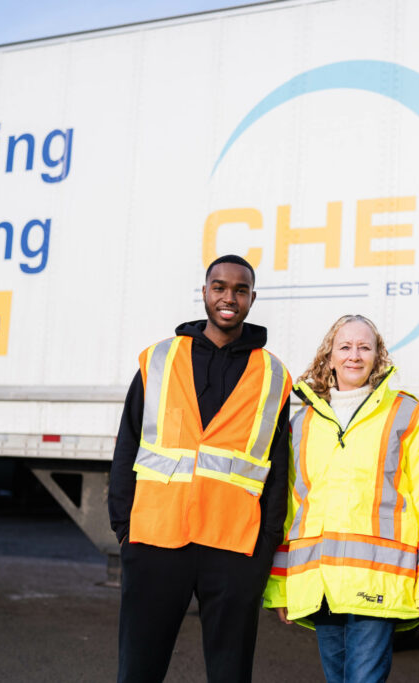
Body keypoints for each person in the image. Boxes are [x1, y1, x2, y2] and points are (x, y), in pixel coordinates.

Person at [108, 254, 292, 683]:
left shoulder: (272, 374)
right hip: (156, 540)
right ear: (205, 292)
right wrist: (124, 528)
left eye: (240, 290)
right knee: (138, 671)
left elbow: (279, 470)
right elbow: (127, 445)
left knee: (230, 675)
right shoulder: (160, 359)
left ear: (252, 298)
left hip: (232, 550)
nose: (229, 297)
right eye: (220, 287)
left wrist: (263, 550)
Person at [262, 314, 419, 683]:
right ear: (329, 356)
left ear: (379, 357)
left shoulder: (406, 415)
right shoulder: (302, 423)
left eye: (365, 347)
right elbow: (289, 512)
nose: (354, 356)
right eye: (344, 347)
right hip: (321, 587)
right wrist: (280, 585)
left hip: (377, 584)